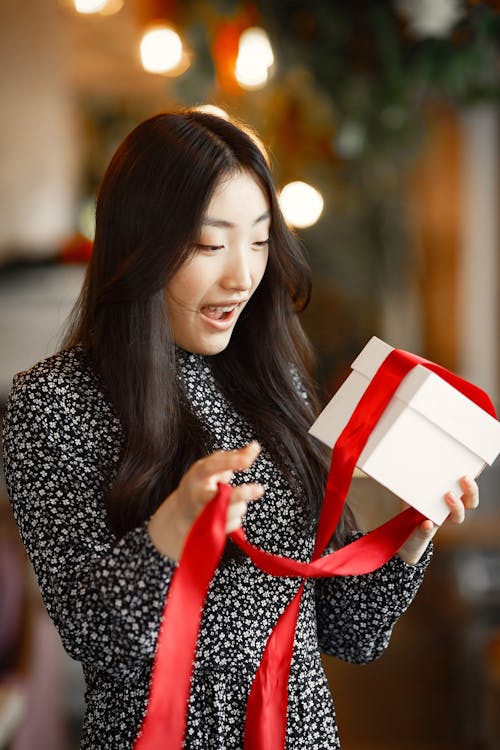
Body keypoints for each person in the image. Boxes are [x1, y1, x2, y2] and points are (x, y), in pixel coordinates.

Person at [2, 109, 479, 750]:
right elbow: (95, 641)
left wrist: (411, 527)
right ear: (138, 244)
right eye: (209, 243)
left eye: (258, 241)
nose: (243, 275)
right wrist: (170, 532)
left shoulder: (272, 371)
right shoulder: (52, 401)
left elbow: (350, 633)